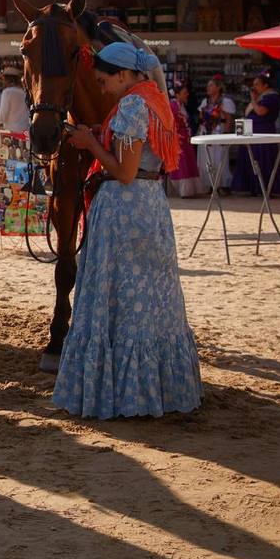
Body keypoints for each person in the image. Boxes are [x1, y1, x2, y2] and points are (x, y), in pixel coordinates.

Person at [54, 43, 202, 418]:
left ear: (122, 75)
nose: (101, 88)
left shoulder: (134, 106)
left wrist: (89, 143)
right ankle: (157, 388)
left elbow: (123, 171)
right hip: (150, 206)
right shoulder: (154, 99)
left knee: (120, 295)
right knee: (151, 299)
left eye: (104, 80)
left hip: (126, 209)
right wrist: (102, 131)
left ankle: (123, 395)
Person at [231, 70, 280, 196]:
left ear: (265, 85)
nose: (254, 87)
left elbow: (261, 112)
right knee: (250, 160)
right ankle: (252, 187)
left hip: (263, 134)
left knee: (263, 161)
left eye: (257, 84)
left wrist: (253, 100)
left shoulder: (271, 97)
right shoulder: (260, 98)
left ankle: (265, 188)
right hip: (250, 132)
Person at [196, 75, 236, 191]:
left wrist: (226, 135)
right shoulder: (205, 102)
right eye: (208, 85)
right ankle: (208, 184)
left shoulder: (225, 101)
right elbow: (201, 117)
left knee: (219, 158)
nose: (208, 88)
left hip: (219, 132)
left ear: (218, 88)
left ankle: (222, 185)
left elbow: (229, 119)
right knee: (206, 159)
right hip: (206, 132)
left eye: (211, 85)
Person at [166, 83, 204, 198]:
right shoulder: (173, 106)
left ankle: (190, 190)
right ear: (177, 94)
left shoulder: (181, 105)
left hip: (185, 138)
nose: (187, 95)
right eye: (184, 93)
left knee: (188, 162)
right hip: (178, 139)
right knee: (182, 164)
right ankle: (184, 190)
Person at [0, 65, 29, 134]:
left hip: (12, 130)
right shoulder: (23, 92)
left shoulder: (7, 92)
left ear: (7, 79)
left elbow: (3, 113)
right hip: (25, 128)